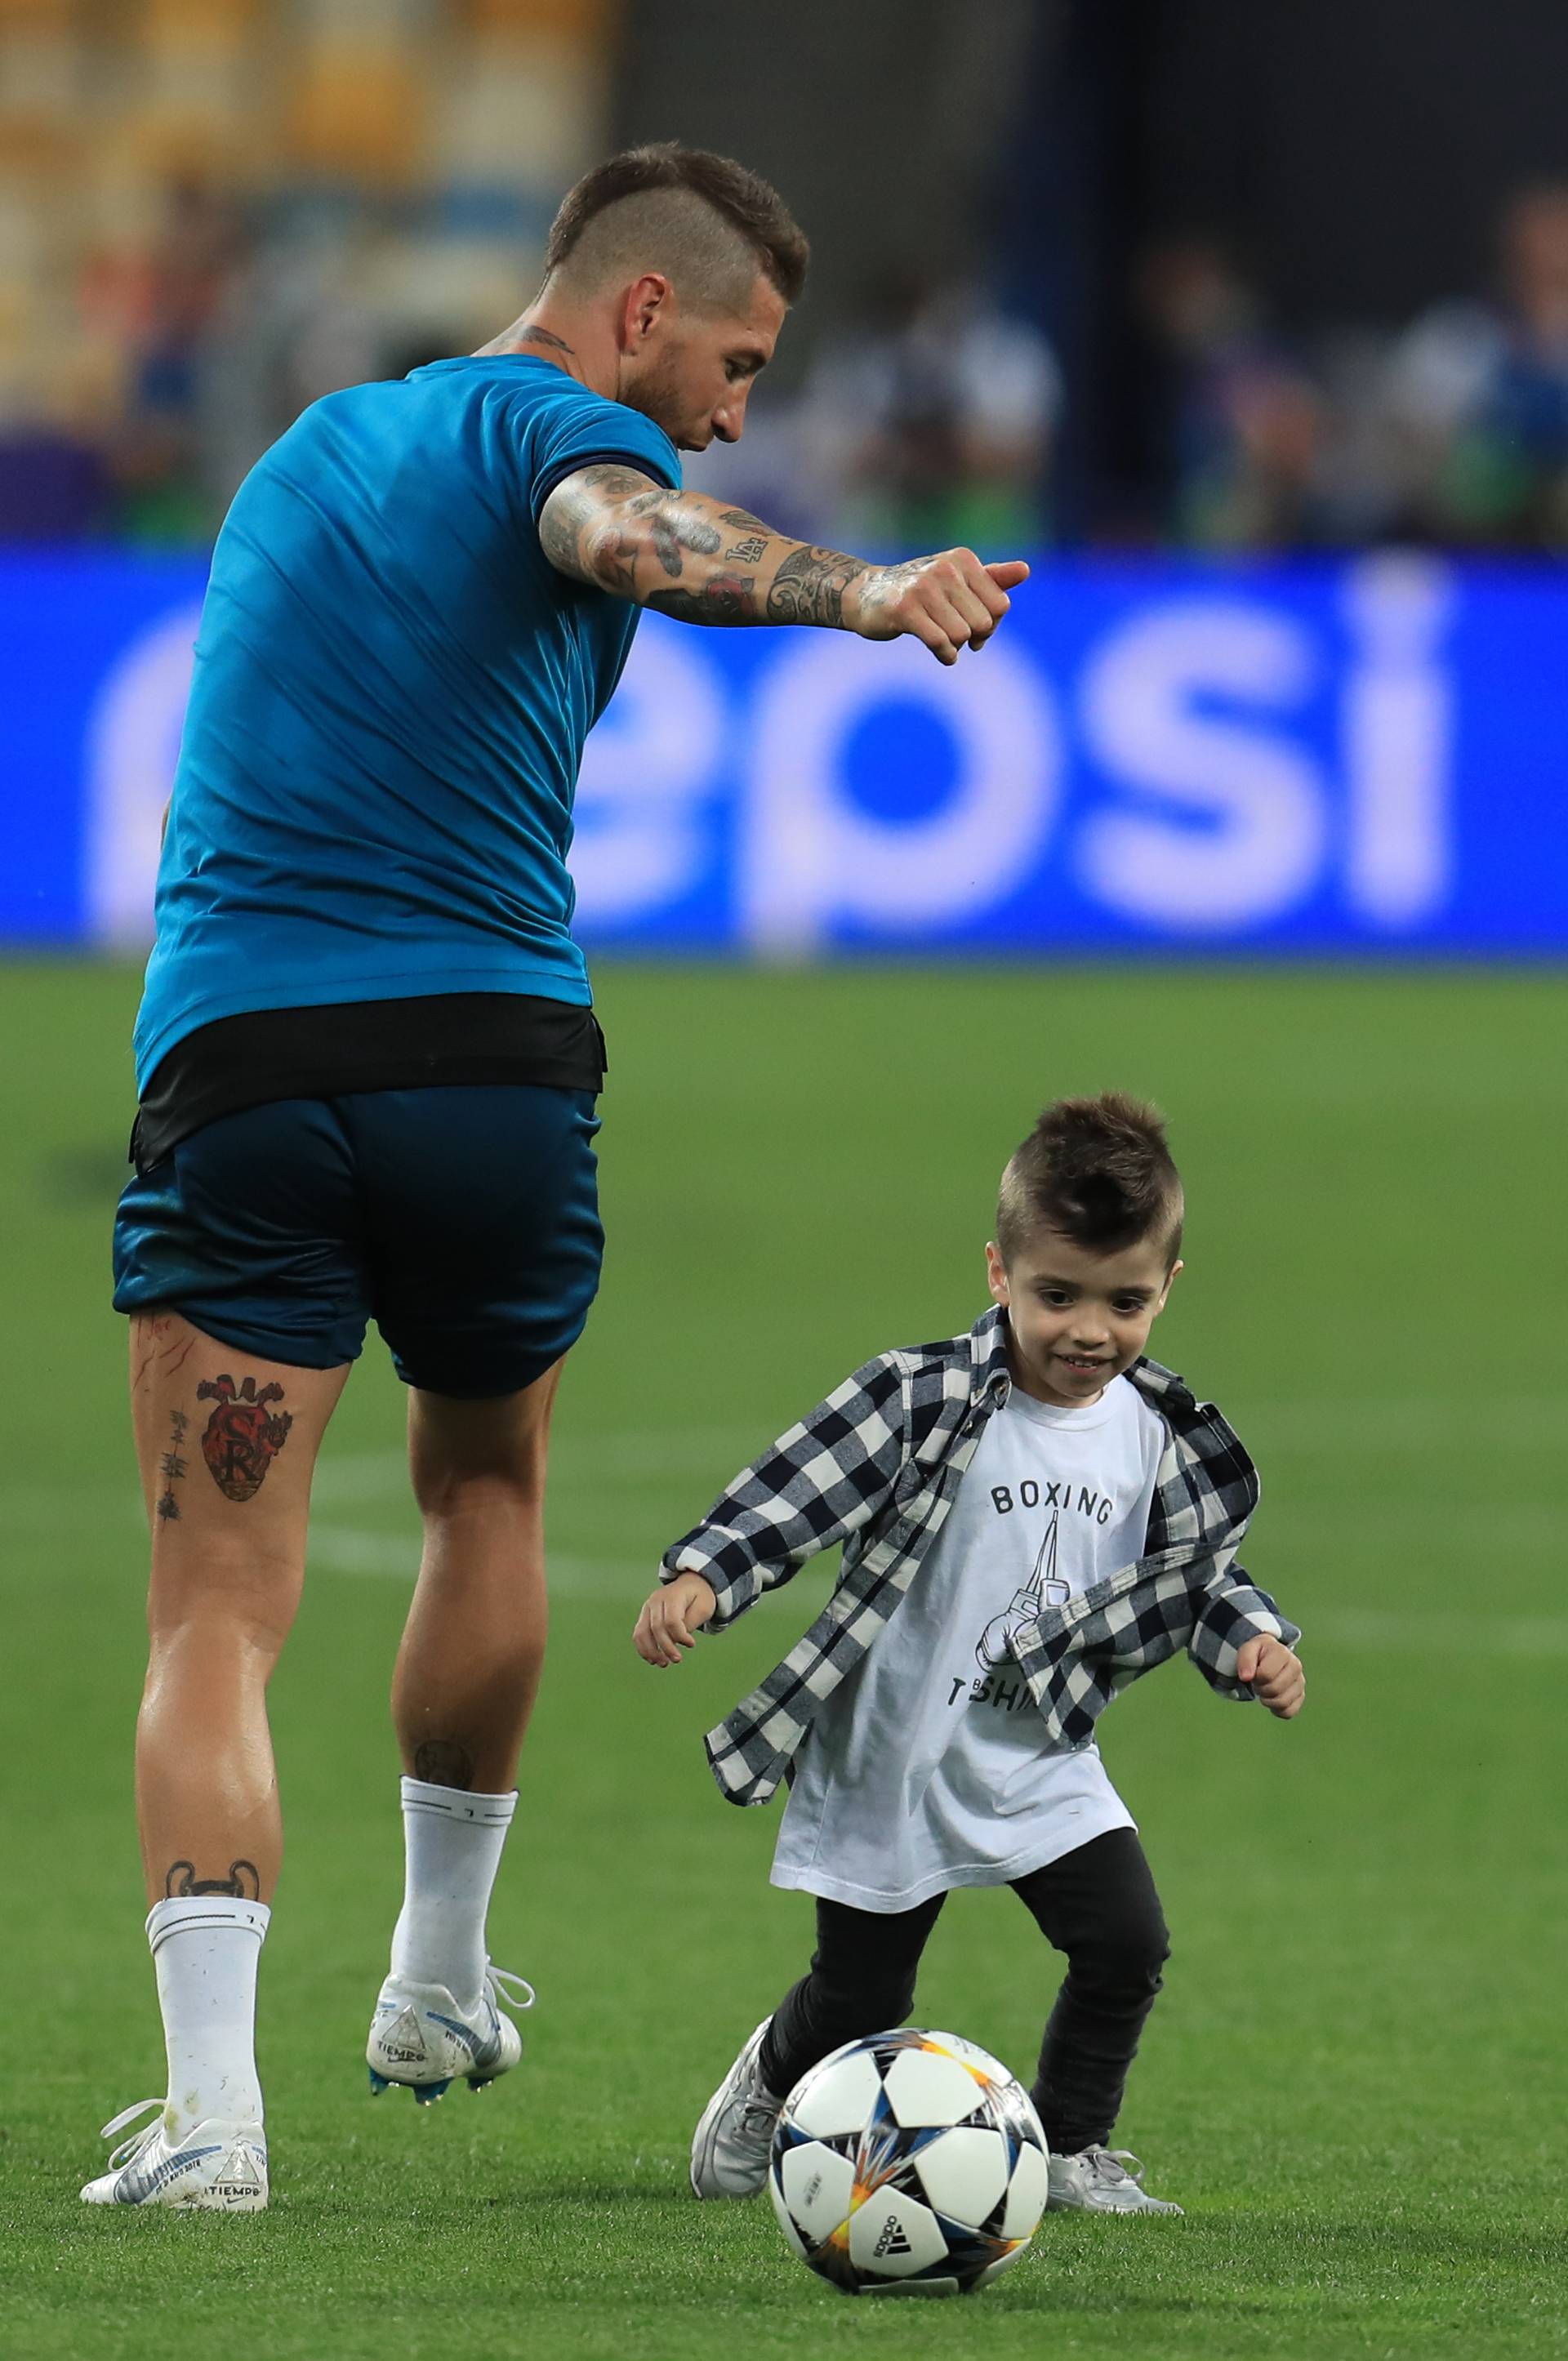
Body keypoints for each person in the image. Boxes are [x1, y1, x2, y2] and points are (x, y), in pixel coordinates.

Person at [91, 140, 1031, 2212]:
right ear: (634, 311)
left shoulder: (311, 456)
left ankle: (216, 2124)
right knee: (489, 1484)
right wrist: (859, 590)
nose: (739, 404)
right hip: (496, 1077)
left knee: (219, 1611)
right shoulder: (561, 424)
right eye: (740, 355)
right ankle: (435, 1982)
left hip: (248, 1059)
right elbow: (630, 530)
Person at [635, 1094, 1303, 2216]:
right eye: (1058, 1295)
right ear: (999, 1272)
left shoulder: (1157, 1432)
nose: (1091, 1330)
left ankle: (1070, 2148)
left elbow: (1189, 1572)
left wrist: (1254, 1641)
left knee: (1126, 1943)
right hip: (893, 1748)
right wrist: (706, 1573)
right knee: (860, 1993)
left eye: (1125, 1301)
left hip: (1038, 1748)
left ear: (1168, 1289)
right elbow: (798, 1489)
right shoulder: (922, 1393)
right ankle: (771, 2080)